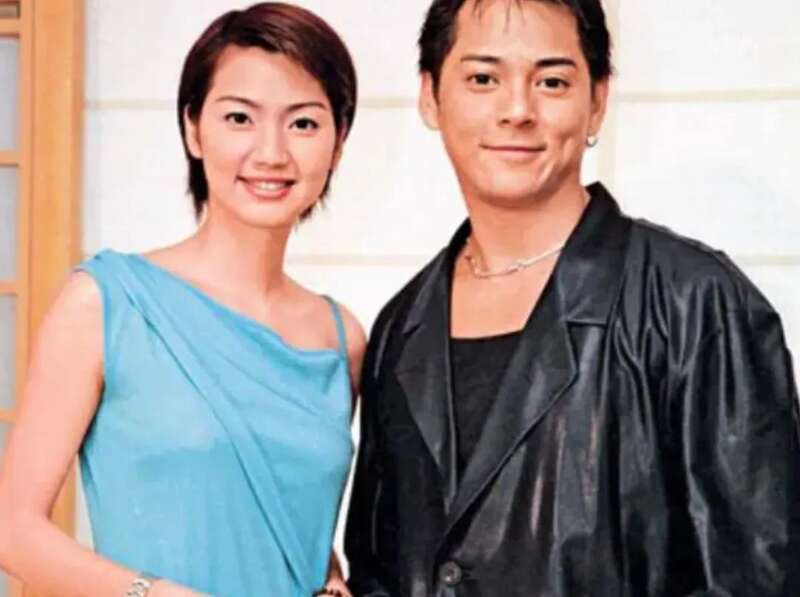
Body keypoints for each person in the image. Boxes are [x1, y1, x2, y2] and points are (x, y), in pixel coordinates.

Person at [344, 0, 800, 595]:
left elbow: (759, 575)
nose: (517, 110)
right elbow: (377, 570)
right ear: (430, 97)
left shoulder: (697, 303)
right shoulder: (401, 325)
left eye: (552, 82)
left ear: (597, 101)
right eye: (483, 78)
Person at [0, 3, 364, 596]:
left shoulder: (339, 336)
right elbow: (14, 531)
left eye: (303, 123)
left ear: (338, 142)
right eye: (240, 118)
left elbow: (285, 522)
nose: (271, 152)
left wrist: (331, 580)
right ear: (194, 128)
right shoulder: (107, 303)